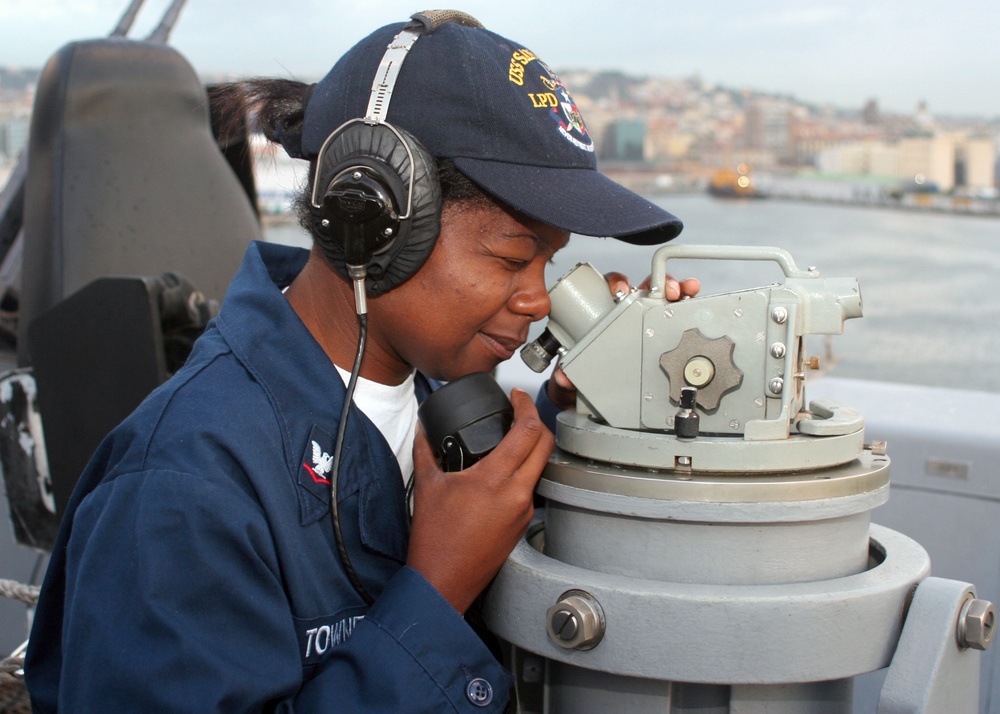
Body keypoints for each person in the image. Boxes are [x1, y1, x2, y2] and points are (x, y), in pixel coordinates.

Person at [25, 11, 697, 712]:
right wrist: (436, 592)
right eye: (513, 258)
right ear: (372, 219)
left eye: (549, 262)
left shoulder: (438, 388)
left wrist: (588, 410)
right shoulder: (180, 488)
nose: (537, 299)